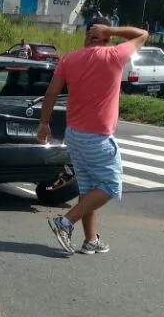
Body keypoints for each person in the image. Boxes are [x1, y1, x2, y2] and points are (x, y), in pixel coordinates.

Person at [36, 16, 148, 255]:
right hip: (97, 137)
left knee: (87, 189)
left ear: (86, 35)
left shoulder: (70, 59)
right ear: (105, 37)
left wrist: (44, 123)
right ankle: (64, 223)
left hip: (74, 135)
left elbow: (50, 93)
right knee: (109, 185)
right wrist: (113, 30)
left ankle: (91, 240)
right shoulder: (114, 56)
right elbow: (142, 34)